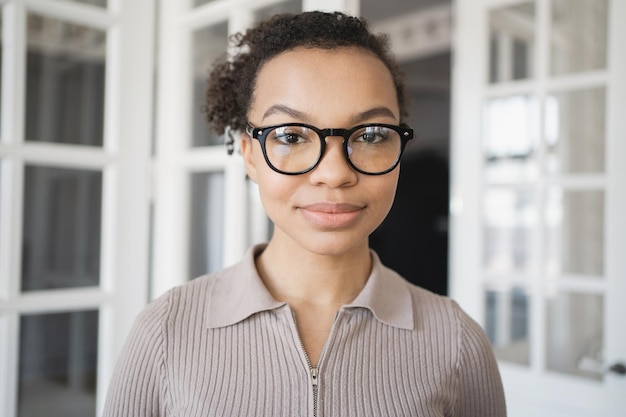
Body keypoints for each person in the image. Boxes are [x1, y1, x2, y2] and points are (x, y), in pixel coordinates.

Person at [103, 10, 506, 417]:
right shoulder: (164, 332)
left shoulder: (457, 342)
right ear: (249, 156)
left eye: (370, 136)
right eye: (291, 136)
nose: (334, 173)